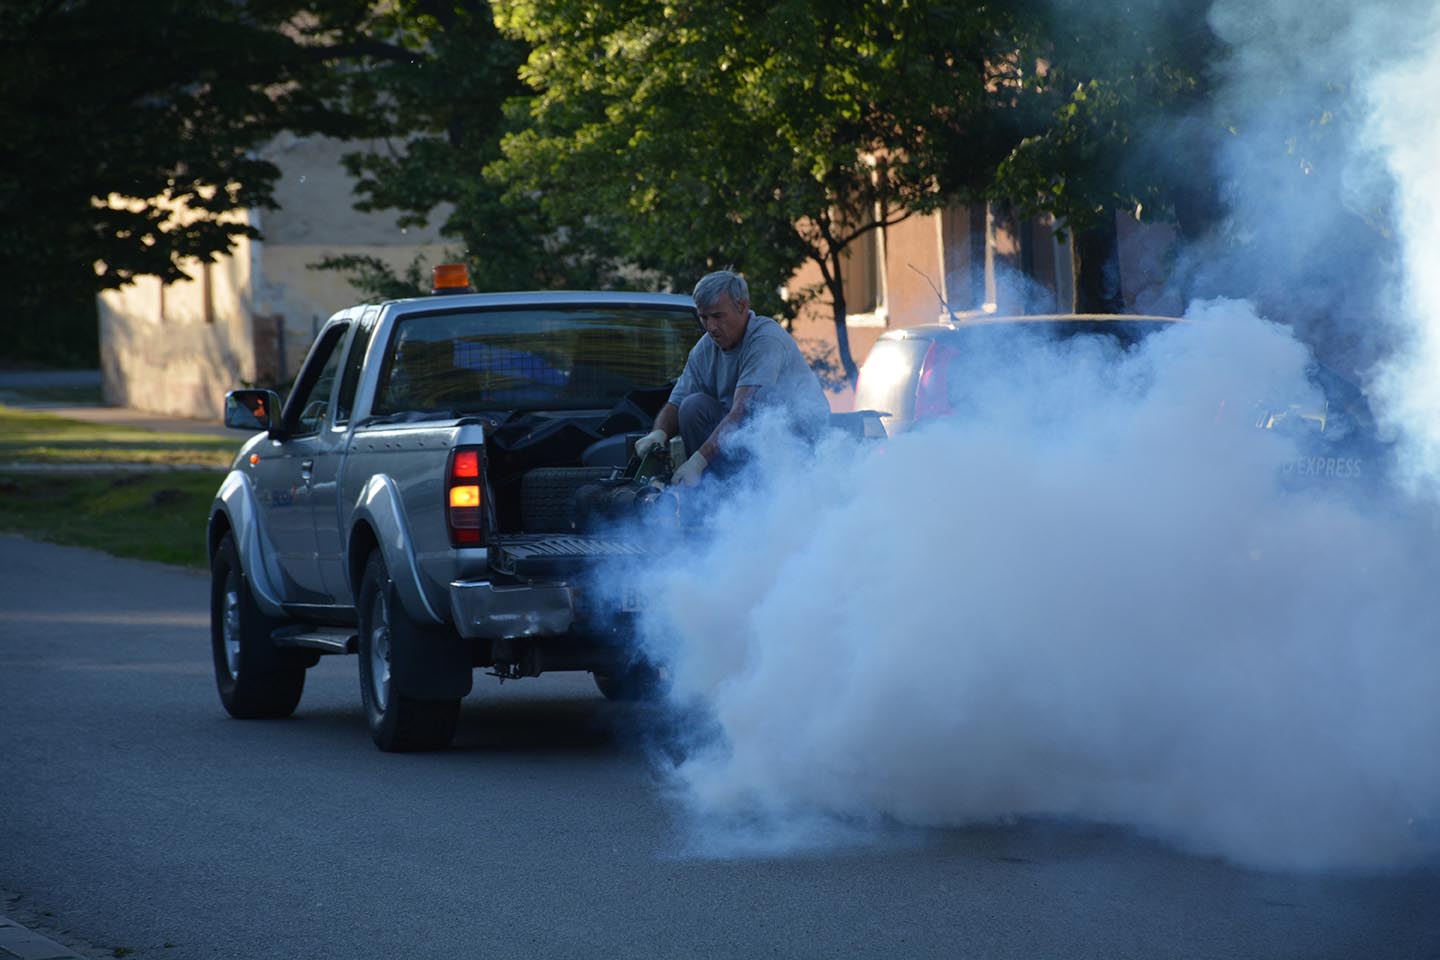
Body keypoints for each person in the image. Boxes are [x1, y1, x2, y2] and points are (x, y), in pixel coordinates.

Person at [635, 269, 831, 486]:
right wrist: (658, 434)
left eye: (718, 316)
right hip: (750, 437)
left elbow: (743, 409)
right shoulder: (705, 348)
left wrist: (698, 462)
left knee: (761, 427)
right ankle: (711, 497)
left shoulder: (766, 340)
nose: (710, 327)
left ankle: (738, 496)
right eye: (704, 317)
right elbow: (677, 401)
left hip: (800, 444)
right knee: (692, 406)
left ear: (742, 306)